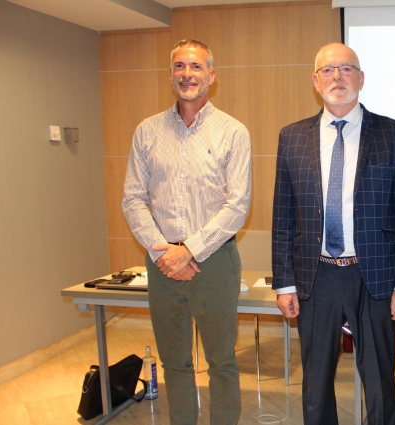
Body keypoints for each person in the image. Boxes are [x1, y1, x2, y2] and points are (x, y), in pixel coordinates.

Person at [272, 43, 395, 425]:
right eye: (327, 70)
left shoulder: (394, 134)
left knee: (380, 383)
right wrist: (284, 284)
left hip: (374, 278)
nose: (337, 77)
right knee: (315, 385)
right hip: (315, 276)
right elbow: (283, 215)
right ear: (315, 80)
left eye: (346, 68)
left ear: (361, 78)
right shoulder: (292, 137)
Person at [122, 39, 252, 425]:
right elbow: (132, 199)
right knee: (174, 361)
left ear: (212, 75)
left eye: (196, 67)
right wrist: (163, 251)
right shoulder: (147, 132)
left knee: (221, 361)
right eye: (179, 66)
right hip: (162, 264)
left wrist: (190, 250)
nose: (187, 74)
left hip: (213, 262)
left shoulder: (232, 132)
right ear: (170, 75)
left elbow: (238, 205)